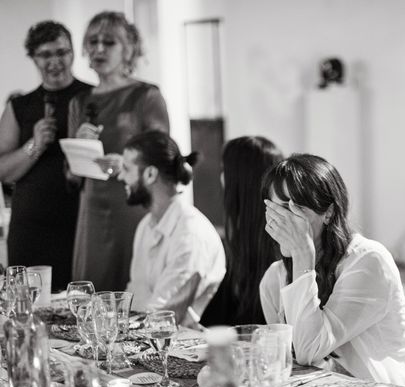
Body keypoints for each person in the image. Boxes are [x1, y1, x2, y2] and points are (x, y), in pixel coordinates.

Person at [260, 154, 405, 387]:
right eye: (274, 208)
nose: (282, 220)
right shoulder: (273, 279)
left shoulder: (368, 261)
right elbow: (289, 365)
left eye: (292, 209)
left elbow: (308, 351)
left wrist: (302, 257)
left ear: (327, 212)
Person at [69, 11, 169, 291]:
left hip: (131, 204)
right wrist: (78, 146)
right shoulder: (79, 102)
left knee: (132, 292)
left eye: (109, 42)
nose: (98, 48)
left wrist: (127, 163)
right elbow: (69, 175)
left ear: (128, 50)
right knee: (94, 290)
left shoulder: (146, 96)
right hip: (91, 207)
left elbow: (163, 155)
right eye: (93, 41)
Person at [0, 21, 91, 290]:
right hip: (31, 227)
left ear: (73, 53)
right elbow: (3, 170)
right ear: (33, 58)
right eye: (45, 55)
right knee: (31, 306)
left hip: (81, 221)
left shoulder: (93, 97)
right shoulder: (20, 106)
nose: (54, 61)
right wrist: (34, 145)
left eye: (61, 52)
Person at [118, 130, 225, 326]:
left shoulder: (190, 234)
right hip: (141, 338)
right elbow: (134, 297)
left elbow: (161, 316)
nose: (120, 176)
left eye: (126, 169)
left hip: (181, 347)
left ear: (150, 174)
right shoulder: (145, 226)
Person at [200, 136, 283, 327]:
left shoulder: (278, 250)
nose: (220, 178)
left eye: (224, 170)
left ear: (239, 179)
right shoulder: (245, 239)